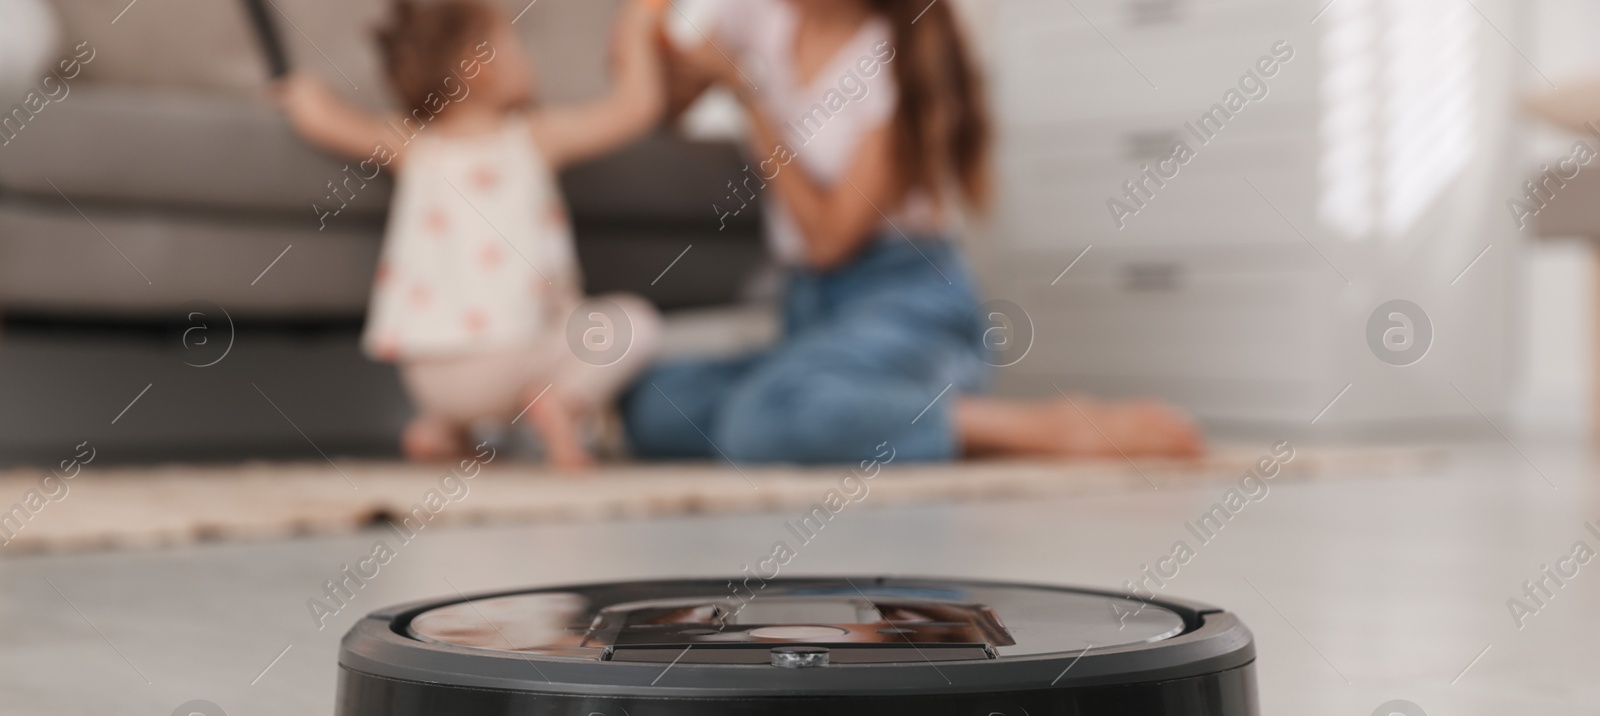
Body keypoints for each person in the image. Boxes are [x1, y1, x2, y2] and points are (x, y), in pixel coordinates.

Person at [624, 0, 1202, 463]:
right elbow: (655, 100)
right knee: (649, 403)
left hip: (907, 299)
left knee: (761, 420)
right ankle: (865, 410)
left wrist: (749, 95)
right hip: (810, 313)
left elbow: (827, 241)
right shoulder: (760, 15)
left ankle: (1032, 429)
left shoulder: (893, 60)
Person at [277, 0, 666, 467]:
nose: (528, 57)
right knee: (635, 323)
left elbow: (323, 120)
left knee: (495, 341)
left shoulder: (411, 144)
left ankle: (444, 425)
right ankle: (562, 405)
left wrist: (304, 91)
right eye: (516, 43)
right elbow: (636, 108)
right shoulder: (532, 138)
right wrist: (639, 27)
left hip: (427, 378)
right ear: (477, 67)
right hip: (509, 364)